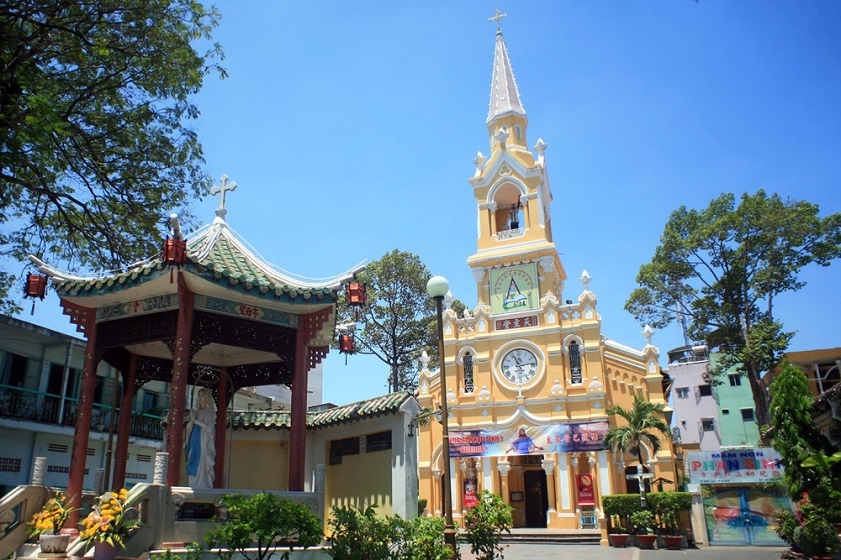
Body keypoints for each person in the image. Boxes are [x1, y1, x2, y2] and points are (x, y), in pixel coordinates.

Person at [185, 388, 216, 488]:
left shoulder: (209, 412)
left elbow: (209, 428)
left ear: (206, 397)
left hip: (203, 439)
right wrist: (191, 422)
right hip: (194, 437)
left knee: (202, 460)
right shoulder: (197, 411)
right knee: (192, 458)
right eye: (199, 395)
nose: (200, 397)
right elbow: (190, 426)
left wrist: (195, 421)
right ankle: (192, 483)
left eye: (202, 395)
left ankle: (202, 483)